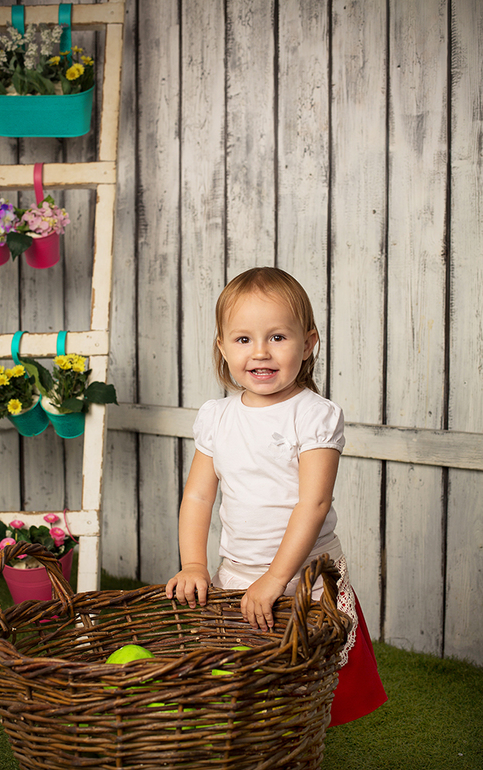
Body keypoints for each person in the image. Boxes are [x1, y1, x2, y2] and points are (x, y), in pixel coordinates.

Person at [165, 266, 387, 725]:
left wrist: (275, 577)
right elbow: (199, 497)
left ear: (308, 344)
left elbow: (314, 503)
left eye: (278, 337)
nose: (260, 351)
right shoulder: (216, 417)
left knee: (305, 682)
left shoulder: (314, 416)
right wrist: (193, 564)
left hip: (301, 576)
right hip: (236, 573)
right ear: (222, 348)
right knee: (246, 682)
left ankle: (297, 740)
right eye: (243, 339)